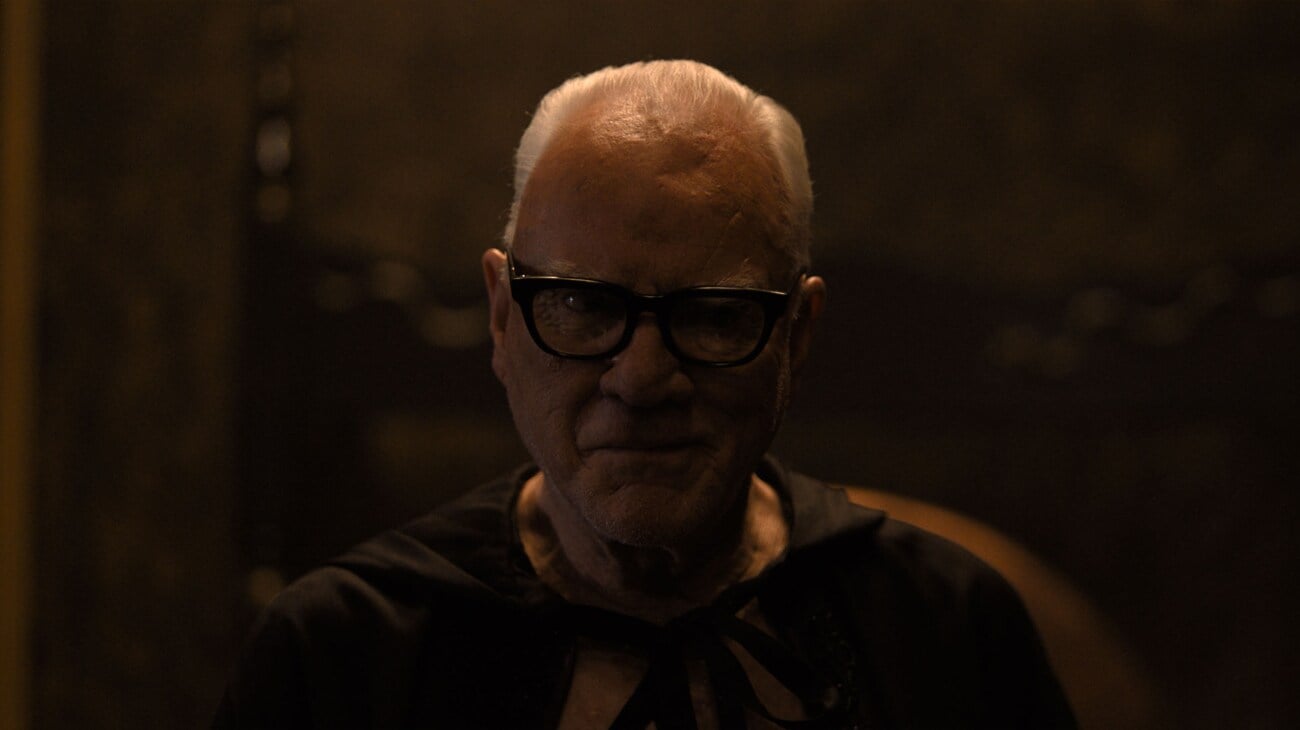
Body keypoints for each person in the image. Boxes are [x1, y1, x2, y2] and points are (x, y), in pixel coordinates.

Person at [214, 60, 1075, 729]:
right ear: (502, 317)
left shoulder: (943, 629)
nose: (641, 379)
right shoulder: (343, 654)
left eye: (713, 315)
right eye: (583, 307)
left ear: (797, 334)